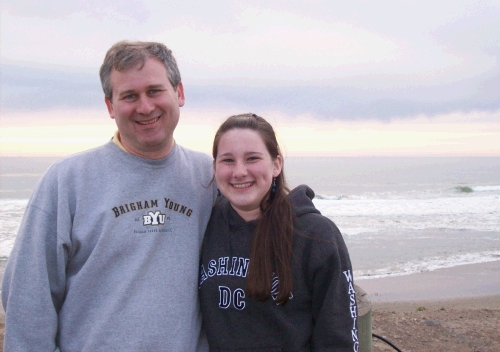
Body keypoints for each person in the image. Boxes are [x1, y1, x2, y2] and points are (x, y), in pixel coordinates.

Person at [2, 41, 216, 351]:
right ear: (110, 106)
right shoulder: (67, 181)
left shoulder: (210, 178)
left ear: (179, 93)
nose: (145, 107)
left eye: (154, 91)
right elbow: (27, 299)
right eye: (129, 96)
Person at [199, 113, 359, 351]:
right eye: (228, 160)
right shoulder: (204, 224)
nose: (239, 171)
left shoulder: (316, 236)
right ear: (214, 167)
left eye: (252, 158)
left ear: (276, 164)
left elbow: (339, 338)